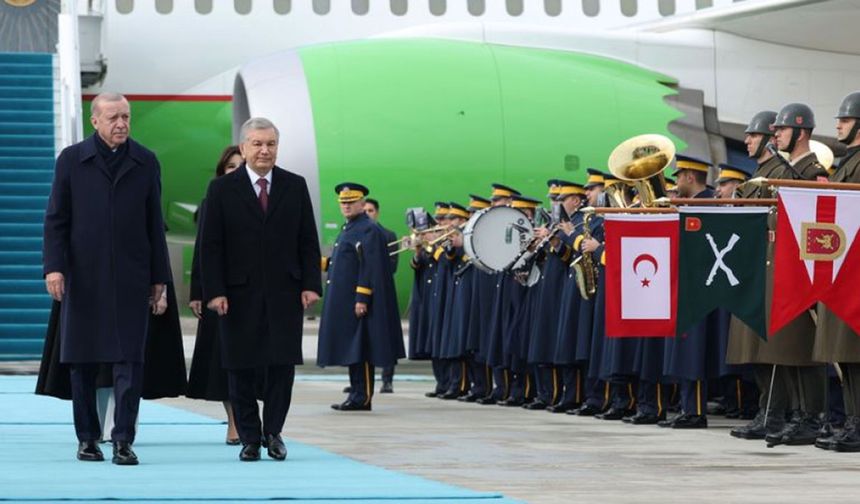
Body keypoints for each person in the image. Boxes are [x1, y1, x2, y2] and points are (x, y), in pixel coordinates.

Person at [43, 92, 171, 465]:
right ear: (95, 121)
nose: (121, 124)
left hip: (131, 278)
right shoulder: (71, 160)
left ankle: (123, 440)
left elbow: (153, 225)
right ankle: (87, 438)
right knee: (82, 363)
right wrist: (55, 266)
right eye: (113, 117)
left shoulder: (145, 161)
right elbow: (56, 219)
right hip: (83, 278)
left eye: (126, 117)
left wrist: (158, 277)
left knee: (130, 362)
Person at [201, 117, 322, 461]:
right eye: (257, 144)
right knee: (240, 367)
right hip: (237, 296)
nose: (264, 150)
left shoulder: (294, 186)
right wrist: (215, 291)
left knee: (281, 368)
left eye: (270, 144)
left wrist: (310, 284)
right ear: (243, 148)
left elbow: (307, 241)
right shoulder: (222, 189)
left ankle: (274, 432)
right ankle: (250, 438)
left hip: (285, 293)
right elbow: (211, 245)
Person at [318, 183, 404, 411]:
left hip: (357, 300)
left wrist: (362, 298)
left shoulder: (368, 229)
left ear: (361, 203)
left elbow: (370, 266)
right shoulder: (349, 228)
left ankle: (362, 396)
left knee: (362, 348)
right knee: (352, 348)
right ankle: (355, 393)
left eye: (350, 202)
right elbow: (344, 261)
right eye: (342, 203)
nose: (346, 206)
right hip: (346, 300)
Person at [186, 145, 243, 444]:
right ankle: (233, 421)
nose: (235, 171)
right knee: (221, 360)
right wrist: (198, 291)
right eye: (230, 166)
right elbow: (202, 249)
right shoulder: (212, 201)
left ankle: (249, 418)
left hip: (251, 291)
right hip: (218, 292)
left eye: (240, 165)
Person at [813, 91, 860, 451]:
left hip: (853, 270)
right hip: (840, 268)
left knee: (854, 351)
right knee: (844, 353)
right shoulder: (846, 163)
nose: (838, 125)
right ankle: (851, 419)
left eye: (844, 120)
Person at [363, 197, 399, 394]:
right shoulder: (356, 232)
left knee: (385, 337)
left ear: (376, 212)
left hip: (382, 293)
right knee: (362, 339)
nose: (368, 214)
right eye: (365, 210)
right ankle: (360, 382)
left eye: (371, 211)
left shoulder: (388, 235)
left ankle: (387, 380)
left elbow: (392, 266)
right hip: (363, 292)